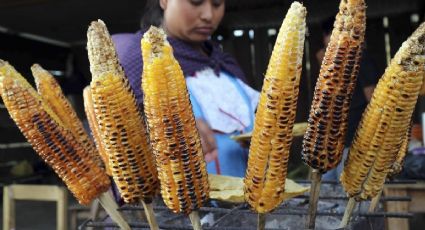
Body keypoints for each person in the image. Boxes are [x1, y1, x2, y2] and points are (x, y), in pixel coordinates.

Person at [112, 0, 259, 177]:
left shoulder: (221, 60)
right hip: (182, 201)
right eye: (195, 2)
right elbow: (117, 136)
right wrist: (171, 127)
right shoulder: (141, 58)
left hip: (248, 197)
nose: (208, 15)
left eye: (217, 4)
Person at [317, 17, 381, 180]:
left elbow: (373, 102)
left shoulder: (361, 59)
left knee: (346, 188)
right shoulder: (331, 63)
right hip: (331, 141)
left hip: (354, 140)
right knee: (326, 190)